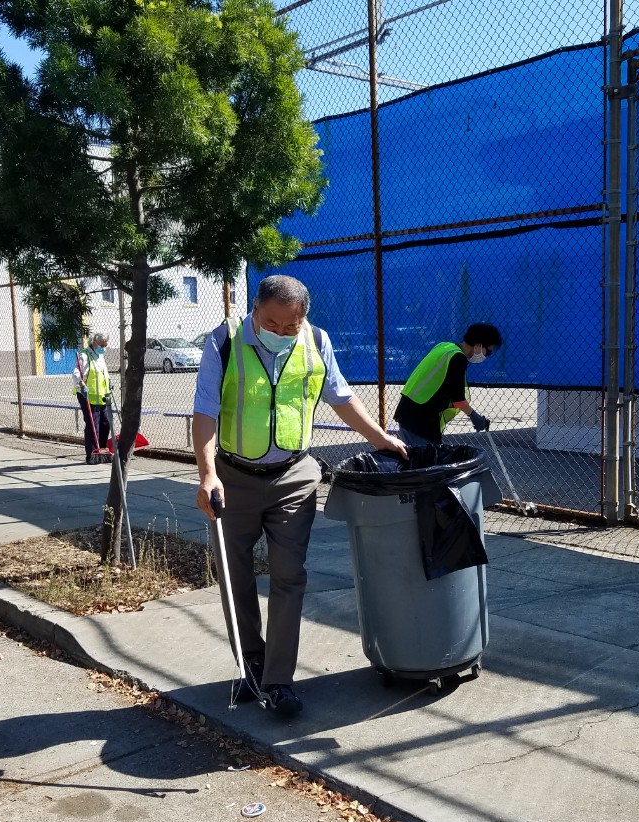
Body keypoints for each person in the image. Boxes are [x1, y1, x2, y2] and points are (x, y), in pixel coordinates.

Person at [193, 275, 408, 716]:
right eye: (274, 323)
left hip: (294, 477)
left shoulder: (315, 341)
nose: (283, 332)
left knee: (290, 576)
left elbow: (341, 397)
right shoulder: (225, 341)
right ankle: (251, 664)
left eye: (292, 325)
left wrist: (380, 437)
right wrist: (207, 474)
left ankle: (278, 680)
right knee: (235, 579)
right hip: (233, 479)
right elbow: (205, 410)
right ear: (256, 309)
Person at [393, 323, 503, 447]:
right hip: (419, 420)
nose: (486, 356)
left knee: (421, 461)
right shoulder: (457, 358)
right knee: (423, 463)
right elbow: (458, 399)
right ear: (478, 344)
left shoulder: (445, 347)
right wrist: (474, 416)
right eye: (488, 352)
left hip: (412, 413)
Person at [72, 332, 112, 465]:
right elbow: (76, 373)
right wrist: (81, 385)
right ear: (95, 342)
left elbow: (102, 373)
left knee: (105, 423)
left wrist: (109, 382)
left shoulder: (100, 356)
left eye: (106, 345)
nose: (105, 347)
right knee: (93, 424)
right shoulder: (85, 355)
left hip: (101, 396)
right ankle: (92, 454)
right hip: (87, 395)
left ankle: (102, 450)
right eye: (103, 345)